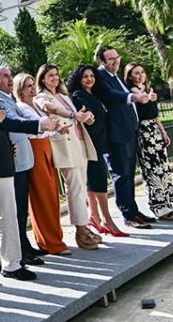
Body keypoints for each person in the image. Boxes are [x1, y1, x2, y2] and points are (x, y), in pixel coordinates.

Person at [0, 64, 58, 281]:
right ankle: (12, 264)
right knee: (8, 215)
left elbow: (0, 129)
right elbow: (6, 123)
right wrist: (38, 124)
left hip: (3, 162)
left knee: (2, 214)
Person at [34, 64, 102, 250]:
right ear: (42, 79)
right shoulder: (41, 97)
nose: (54, 78)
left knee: (81, 185)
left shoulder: (64, 96)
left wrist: (86, 117)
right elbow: (52, 109)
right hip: (64, 146)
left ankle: (84, 226)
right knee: (75, 188)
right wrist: (74, 114)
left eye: (56, 74)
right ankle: (80, 230)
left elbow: (76, 117)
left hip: (79, 144)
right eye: (50, 75)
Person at [95, 46, 155, 228]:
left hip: (129, 131)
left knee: (129, 173)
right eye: (110, 59)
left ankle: (134, 210)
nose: (115, 62)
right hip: (116, 134)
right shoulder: (100, 77)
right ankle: (128, 215)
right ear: (102, 62)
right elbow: (111, 95)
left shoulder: (116, 76)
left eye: (117, 58)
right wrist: (133, 97)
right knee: (121, 174)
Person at [13, 73, 71, 255]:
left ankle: (56, 237)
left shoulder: (35, 105)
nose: (32, 88)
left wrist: (56, 128)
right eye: (28, 86)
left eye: (32, 84)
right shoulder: (21, 107)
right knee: (42, 196)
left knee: (53, 194)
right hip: (36, 150)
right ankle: (49, 242)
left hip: (46, 148)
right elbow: (37, 129)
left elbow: (46, 128)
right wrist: (49, 126)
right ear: (20, 90)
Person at [67, 65, 128, 237]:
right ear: (78, 79)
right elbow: (85, 116)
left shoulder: (95, 93)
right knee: (98, 181)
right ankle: (106, 219)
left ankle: (95, 217)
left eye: (91, 76)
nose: (89, 79)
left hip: (100, 143)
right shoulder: (79, 95)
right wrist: (89, 118)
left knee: (93, 182)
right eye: (85, 76)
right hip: (91, 144)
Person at [0, 67, 47, 265]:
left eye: (10, 75)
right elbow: (14, 122)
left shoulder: (9, 98)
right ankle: (21, 251)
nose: (9, 79)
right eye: (4, 76)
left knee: (21, 208)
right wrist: (39, 125)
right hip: (15, 161)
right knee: (16, 209)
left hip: (24, 159)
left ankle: (25, 244)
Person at [124, 63, 173, 221]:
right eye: (136, 73)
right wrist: (145, 97)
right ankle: (160, 209)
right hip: (143, 133)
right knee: (152, 169)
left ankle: (169, 205)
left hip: (155, 130)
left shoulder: (149, 91)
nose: (140, 75)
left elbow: (155, 115)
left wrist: (163, 132)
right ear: (129, 76)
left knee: (163, 168)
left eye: (142, 72)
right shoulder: (132, 93)